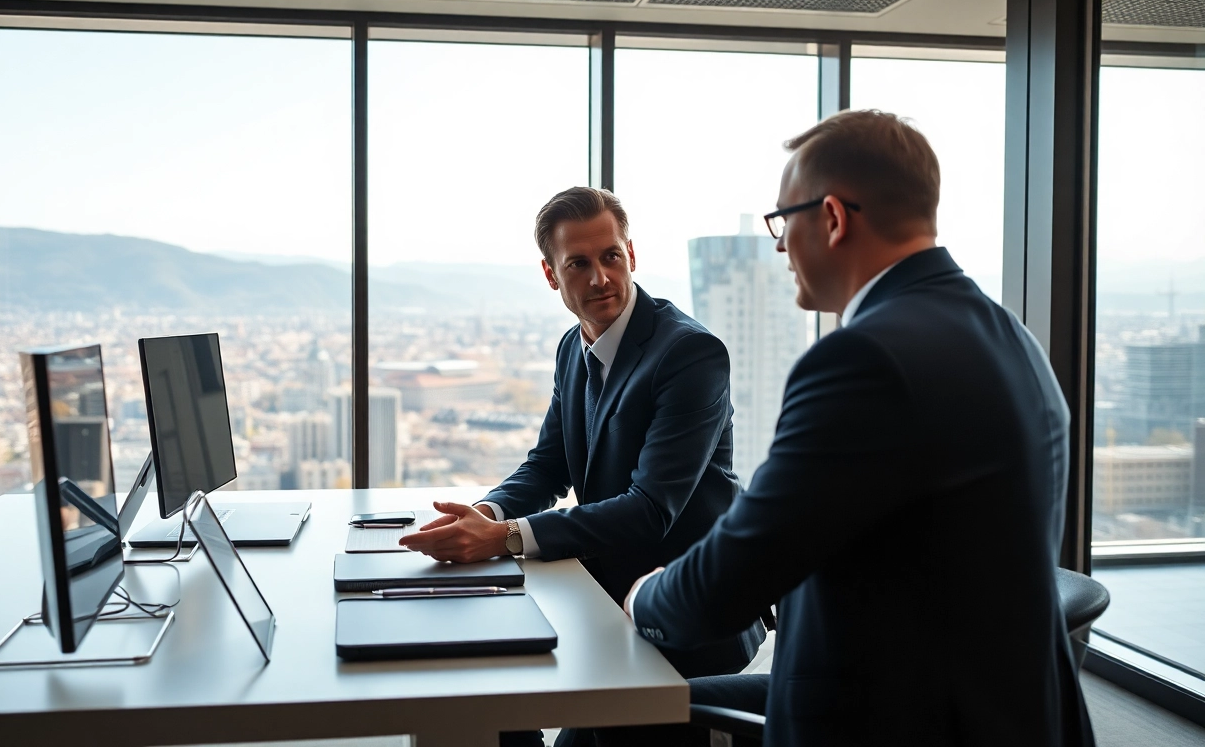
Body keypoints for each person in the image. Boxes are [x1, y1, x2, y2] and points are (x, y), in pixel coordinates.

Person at [625, 110, 1094, 746]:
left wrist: (645, 598)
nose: (781, 245)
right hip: (1001, 710)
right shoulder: (1008, 335)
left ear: (834, 218)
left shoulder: (862, 359)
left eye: (783, 221)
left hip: (892, 717)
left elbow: (730, 580)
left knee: (617, 710)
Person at [399, 186, 763, 746]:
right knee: (493, 692)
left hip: (681, 624)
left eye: (611, 257)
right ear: (551, 275)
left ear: (632, 255)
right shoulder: (575, 347)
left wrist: (504, 537)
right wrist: (480, 512)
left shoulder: (690, 354)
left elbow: (649, 511)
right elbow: (548, 466)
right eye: (580, 264)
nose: (600, 278)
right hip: (605, 604)